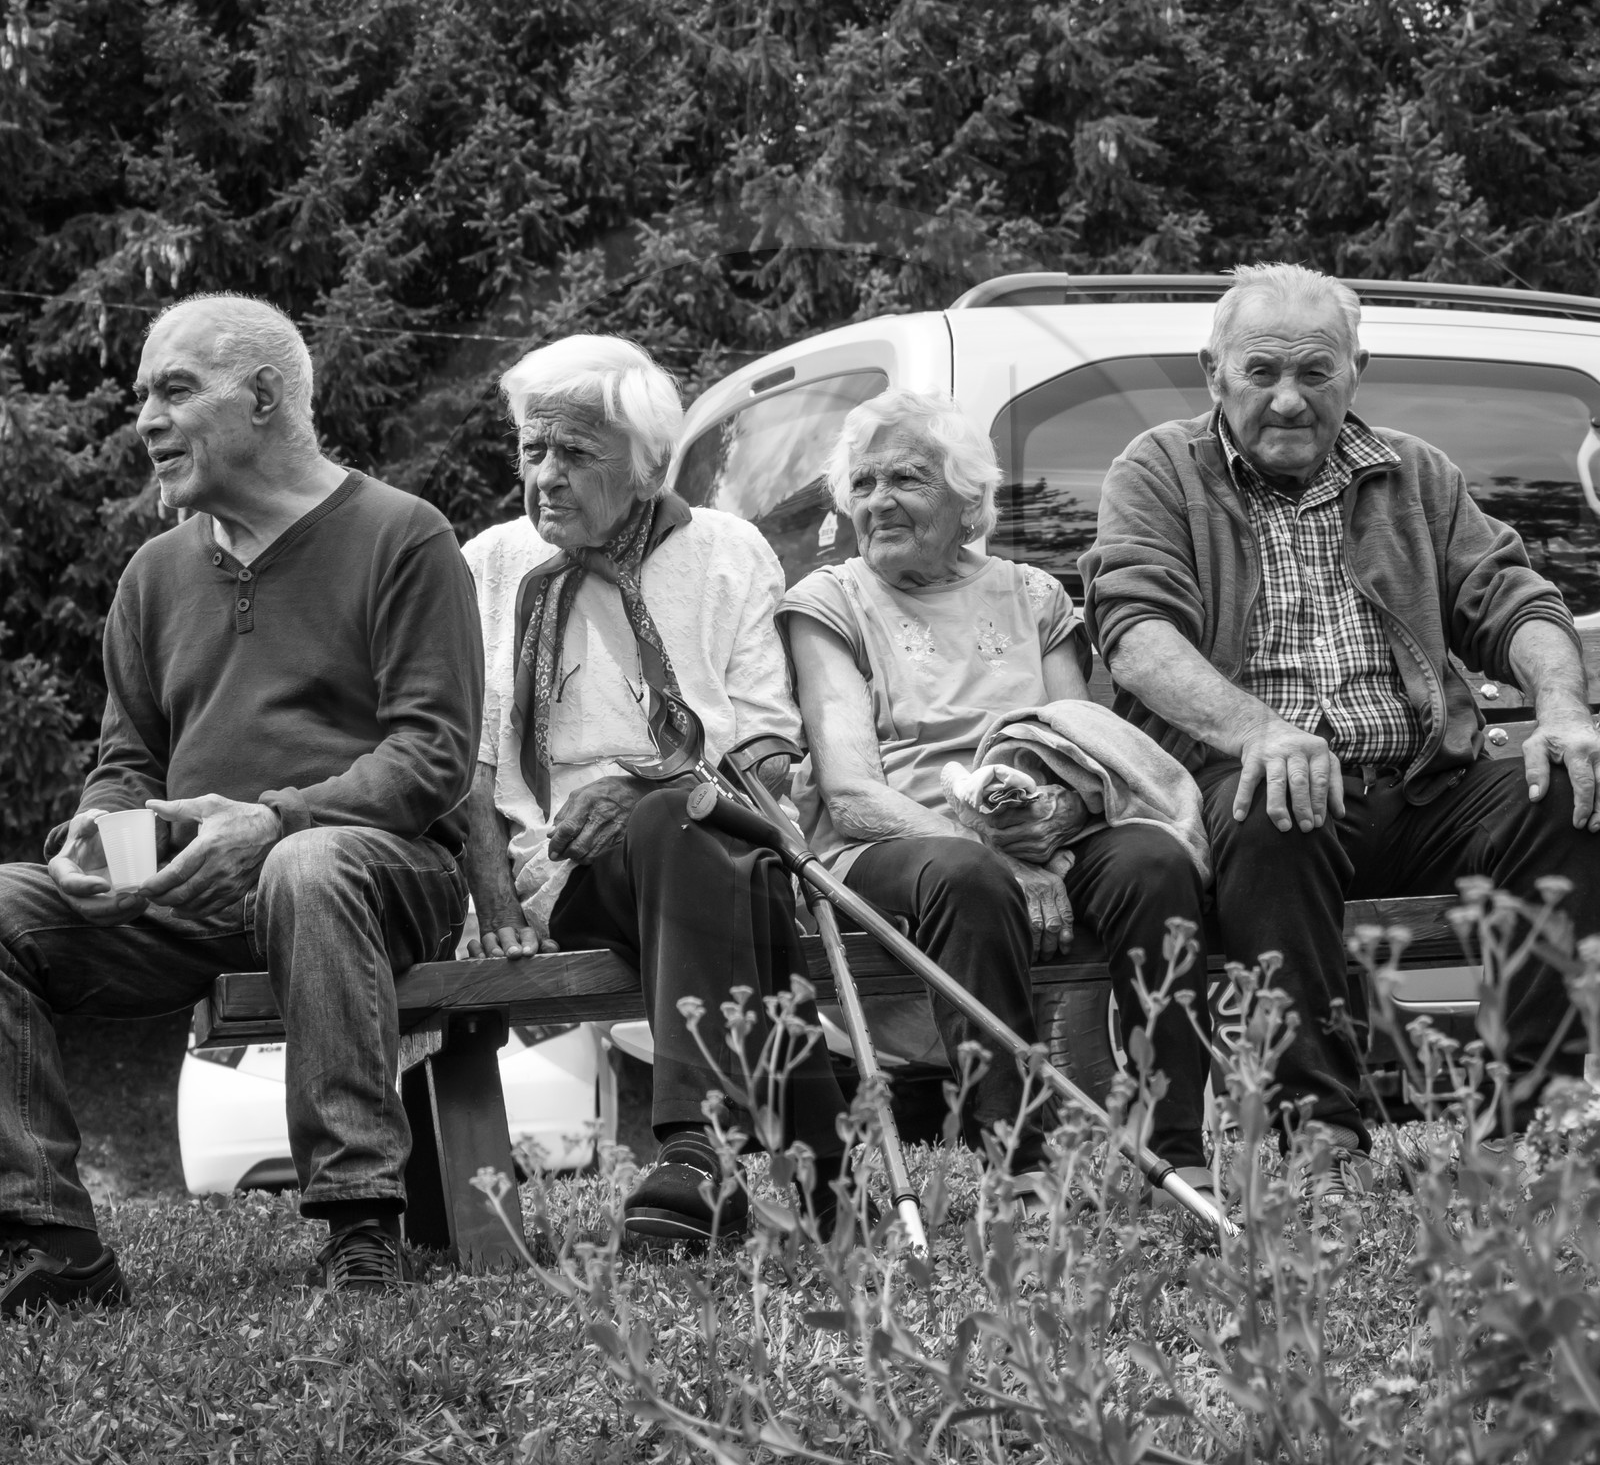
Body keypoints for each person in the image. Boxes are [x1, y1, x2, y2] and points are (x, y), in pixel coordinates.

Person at [0, 296, 482, 1311]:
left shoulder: (403, 535)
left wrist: (274, 820)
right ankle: (50, 1239)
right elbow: (129, 759)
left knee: (308, 865)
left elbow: (431, 757)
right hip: (193, 887)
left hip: (380, 872)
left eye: (174, 388)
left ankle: (360, 1222)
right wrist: (104, 835)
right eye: (142, 395)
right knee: (3, 902)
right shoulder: (153, 575)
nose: (144, 418)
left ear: (264, 394)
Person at [1080, 261, 1600, 1185]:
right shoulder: (1159, 468)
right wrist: (1261, 732)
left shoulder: (1417, 475)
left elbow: (1512, 599)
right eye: (1262, 373)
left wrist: (1560, 707)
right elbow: (1135, 632)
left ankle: (1528, 1124)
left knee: (1568, 785)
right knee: (1277, 796)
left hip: (1420, 788)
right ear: (1215, 375)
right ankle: (1323, 1136)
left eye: (1315, 373)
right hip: (1257, 787)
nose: (1288, 400)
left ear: (1354, 372)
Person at [460, 334, 851, 1247]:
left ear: (645, 469)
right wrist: (490, 897)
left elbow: (763, 735)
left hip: (714, 836)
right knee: (711, 852)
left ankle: (695, 1156)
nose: (546, 476)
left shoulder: (727, 551)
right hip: (564, 875)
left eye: (576, 455)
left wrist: (653, 780)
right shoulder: (491, 562)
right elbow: (471, 759)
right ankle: (802, 1162)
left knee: (696, 829)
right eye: (532, 450)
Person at [781, 388, 1213, 1203]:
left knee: (1154, 861)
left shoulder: (1033, 596)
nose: (877, 500)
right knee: (967, 878)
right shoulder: (828, 603)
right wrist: (1002, 859)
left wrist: (1044, 837)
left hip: (1040, 824)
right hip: (892, 843)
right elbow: (848, 790)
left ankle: (1178, 1144)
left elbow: (1080, 741)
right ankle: (1021, 1160)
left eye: (904, 478)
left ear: (968, 498)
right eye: (863, 483)